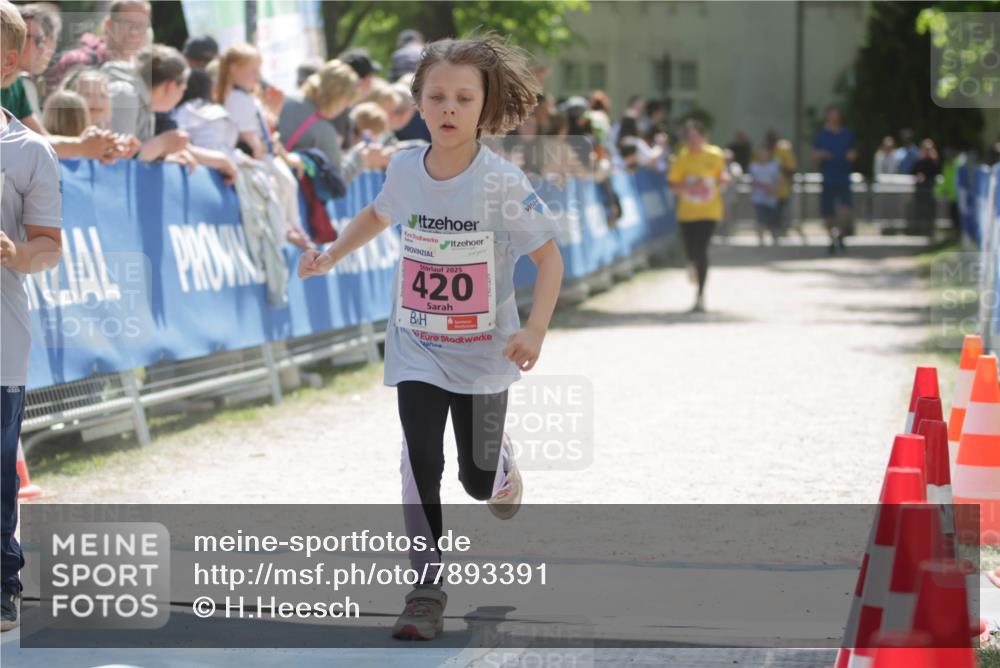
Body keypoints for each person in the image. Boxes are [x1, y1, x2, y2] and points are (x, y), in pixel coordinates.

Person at [297, 33, 563, 642]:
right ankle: (425, 588)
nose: (449, 109)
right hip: (416, 343)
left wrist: (535, 329)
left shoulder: (501, 181)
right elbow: (378, 213)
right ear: (417, 103)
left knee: (476, 477)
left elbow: (549, 259)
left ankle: (500, 468)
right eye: (437, 96)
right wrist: (332, 253)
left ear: (484, 106)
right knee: (420, 458)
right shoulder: (403, 169)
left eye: (464, 99)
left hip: (485, 353)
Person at [1, 1, 63, 632]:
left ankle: (3, 583)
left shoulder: (29, 150)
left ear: (9, 63)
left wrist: (15, 252)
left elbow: (49, 248)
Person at [277, 59, 378, 182]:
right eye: (346, 103)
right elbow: (337, 181)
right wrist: (358, 158)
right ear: (340, 99)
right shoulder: (324, 132)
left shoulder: (284, 101)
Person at [668, 119, 728, 312]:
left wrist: (722, 180)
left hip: (710, 212)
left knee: (701, 250)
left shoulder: (715, 154)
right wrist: (691, 186)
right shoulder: (682, 157)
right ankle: (692, 264)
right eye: (689, 137)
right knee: (691, 252)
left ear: (704, 137)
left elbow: (722, 177)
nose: (693, 141)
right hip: (687, 213)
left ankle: (700, 295)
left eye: (696, 137)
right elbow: (672, 186)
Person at [812, 105, 856, 254]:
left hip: (843, 178)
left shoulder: (847, 134)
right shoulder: (822, 135)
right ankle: (832, 238)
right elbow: (814, 154)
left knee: (845, 210)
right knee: (828, 213)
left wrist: (851, 156)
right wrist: (822, 155)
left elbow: (853, 152)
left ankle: (841, 234)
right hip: (828, 179)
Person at [767, 130, 802, 242]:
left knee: (781, 210)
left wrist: (780, 166)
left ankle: (780, 231)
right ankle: (773, 231)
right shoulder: (765, 152)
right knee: (770, 212)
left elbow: (791, 169)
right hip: (767, 190)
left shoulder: (783, 151)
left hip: (782, 189)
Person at [749, 145, 781, 245]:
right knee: (760, 219)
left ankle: (774, 236)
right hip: (758, 197)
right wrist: (763, 186)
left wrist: (773, 189)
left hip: (771, 197)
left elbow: (778, 181)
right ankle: (761, 239)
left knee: (772, 218)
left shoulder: (774, 166)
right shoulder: (753, 167)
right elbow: (752, 181)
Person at [910, 138, 940, 237]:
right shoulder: (919, 160)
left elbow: (936, 172)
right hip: (920, 191)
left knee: (930, 211)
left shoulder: (934, 160)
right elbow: (913, 171)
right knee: (920, 210)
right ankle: (919, 230)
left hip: (930, 190)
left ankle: (930, 230)